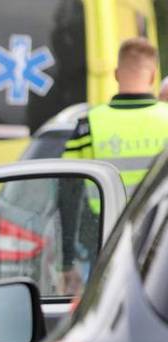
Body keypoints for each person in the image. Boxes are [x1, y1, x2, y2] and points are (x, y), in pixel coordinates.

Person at [60, 37, 168, 293]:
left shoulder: (89, 125)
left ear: (117, 74)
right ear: (153, 76)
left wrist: (66, 261)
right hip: (160, 248)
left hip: (103, 246)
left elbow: (68, 195)